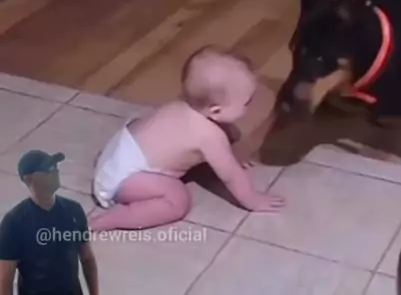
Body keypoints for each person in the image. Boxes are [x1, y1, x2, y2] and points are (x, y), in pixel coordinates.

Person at [90, 46, 285, 231]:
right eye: (246, 103)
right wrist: (253, 199)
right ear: (216, 111)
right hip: (125, 180)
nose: (249, 107)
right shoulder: (209, 135)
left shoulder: (178, 107)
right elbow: (231, 176)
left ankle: (112, 173)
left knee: (228, 134)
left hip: (117, 154)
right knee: (177, 200)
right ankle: (116, 218)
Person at [0, 150, 99, 295]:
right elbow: (5, 279)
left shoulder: (74, 211)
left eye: (55, 167)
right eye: (48, 169)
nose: (55, 172)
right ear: (29, 179)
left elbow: (87, 259)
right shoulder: (14, 222)